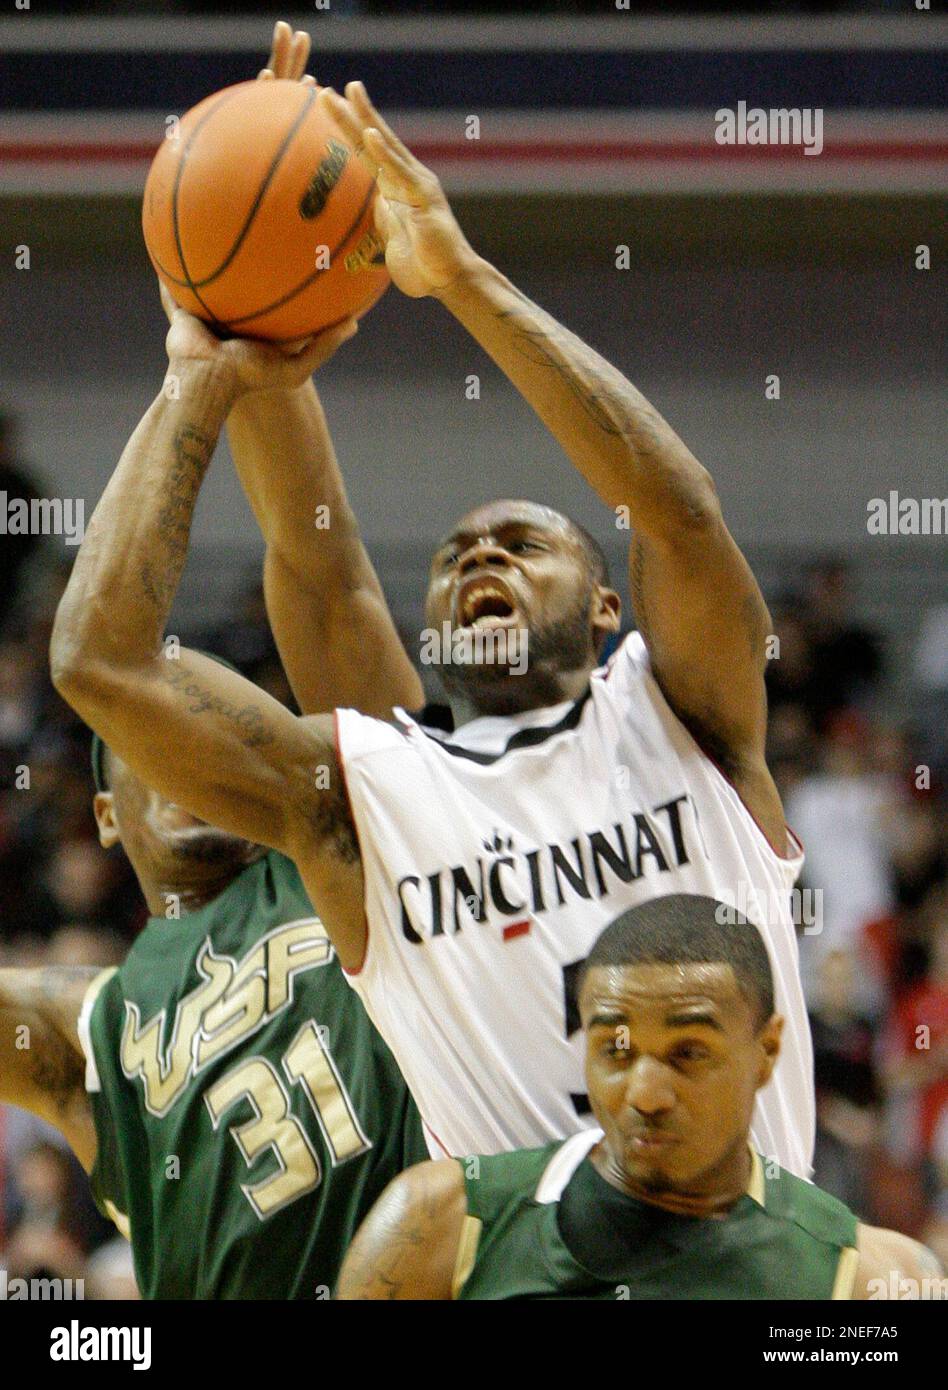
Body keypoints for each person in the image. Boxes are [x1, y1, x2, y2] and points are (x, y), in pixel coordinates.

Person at [49, 43, 813, 1177]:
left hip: (755, 1267)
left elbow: (679, 511)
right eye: (457, 555)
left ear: (610, 607)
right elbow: (106, 664)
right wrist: (210, 371)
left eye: (524, 540)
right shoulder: (373, 801)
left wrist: (460, 277)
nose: (482, 556)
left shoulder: (685, 716)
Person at [335, 895, 945, 1300]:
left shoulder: (873, 1282)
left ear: (766, 1051)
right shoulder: (437, 1224)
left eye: (688, 1053)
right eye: (616, 1053)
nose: (646, 1096)